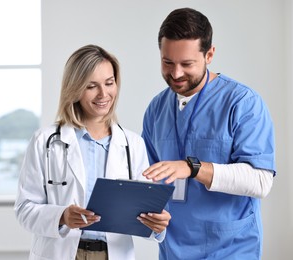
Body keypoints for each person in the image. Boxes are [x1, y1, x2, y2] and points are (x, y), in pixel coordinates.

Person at [141, 7, 276, 260]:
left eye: (187, 64)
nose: (176, 73)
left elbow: (261, 181)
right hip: (172, 249)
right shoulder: (156, 110)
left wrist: (192, 168)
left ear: (210, 54)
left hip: (231, 249)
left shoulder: (243, 103)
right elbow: (149, 181)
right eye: (167, 62)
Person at [14, 44, 171, 260]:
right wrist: (62, 216)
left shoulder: (132, 144)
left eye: (109, 83)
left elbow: (143, 212)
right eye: (91, 86)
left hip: (112, 253)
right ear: (75, 88)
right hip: (61, 252)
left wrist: (157, 225)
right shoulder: (46, 141)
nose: (103, 94)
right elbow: (24, 209)